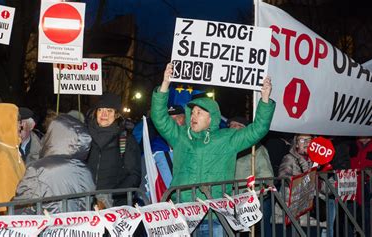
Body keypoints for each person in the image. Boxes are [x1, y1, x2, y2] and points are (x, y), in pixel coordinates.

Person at [151, 63, 275, 201]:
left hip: (216, 213)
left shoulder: (227, 138)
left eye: (199, 112)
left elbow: (258, 129)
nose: (193, 116)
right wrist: (164, 85)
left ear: (212, 118)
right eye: (192, 112)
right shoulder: (180, 136)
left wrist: (264, 99)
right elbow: (160, 118)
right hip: (184, 210)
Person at [14, 114, 95, 214]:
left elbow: (20, 208)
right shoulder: (86, 171)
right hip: (77, 228)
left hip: (49, 227)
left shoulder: (38, 169)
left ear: (54, 136)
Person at [87, 93, 141, 207]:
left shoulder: (126, 139)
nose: (104, 114)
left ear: (116, 115)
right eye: (100, 109)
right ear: (95, 112)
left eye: (109, 110)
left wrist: (111, 195)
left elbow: (134, 176)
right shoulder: (84, 137)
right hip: (86, 204)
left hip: (114, 207)